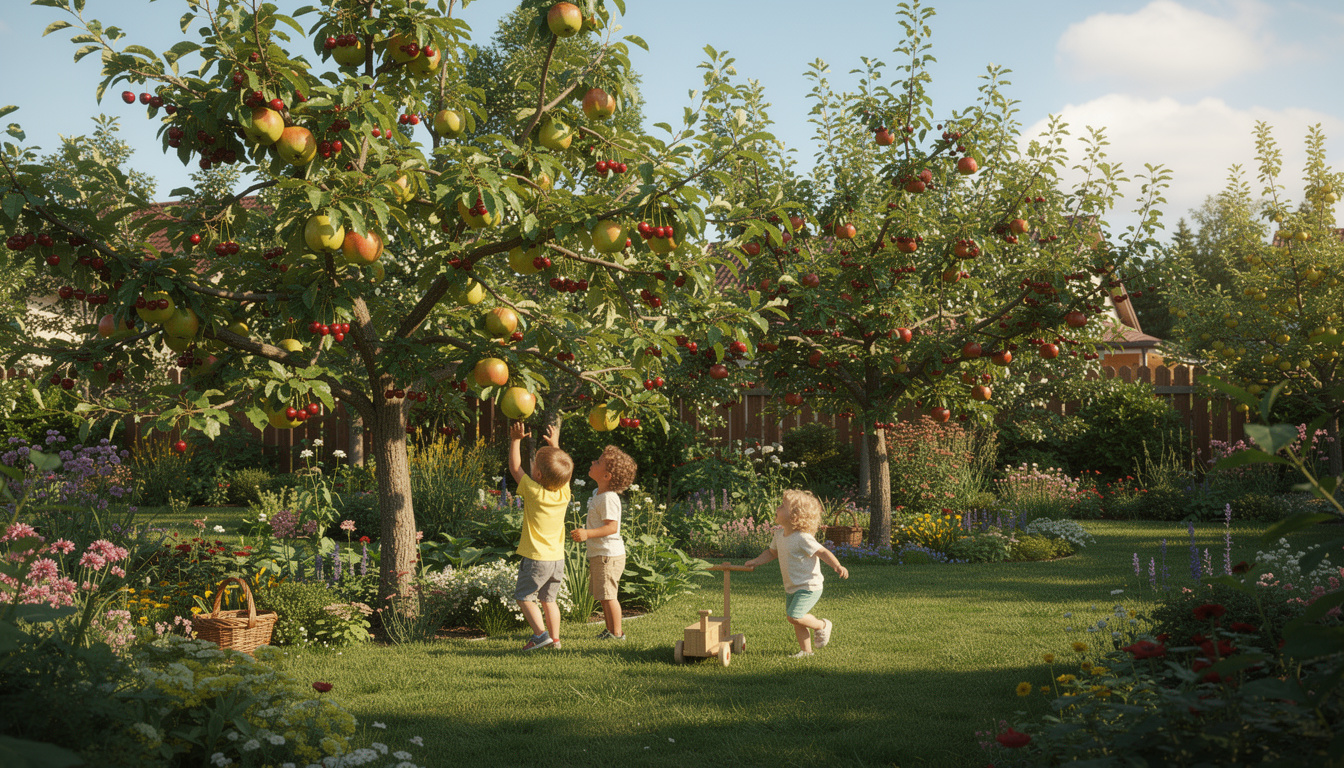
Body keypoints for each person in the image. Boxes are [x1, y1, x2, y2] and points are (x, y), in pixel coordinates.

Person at [744, 489, 849, 657]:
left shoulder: (802, 537)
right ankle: (806, 651)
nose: (777, 508)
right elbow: (772, 553)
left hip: (809, 586)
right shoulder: (779, 535)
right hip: (792, 586)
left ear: (795, 515)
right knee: (797, 621)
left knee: (794, 616)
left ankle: (822, 625)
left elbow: (822, 552)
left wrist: (837, 566)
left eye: (782, 506)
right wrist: (756, 561)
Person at [508, 420, 574, 651]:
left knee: (525, 597)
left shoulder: (534, 491)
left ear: (537, 473)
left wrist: (515, 440)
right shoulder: (564, 492)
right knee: (549, 600)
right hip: (557, 560)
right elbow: (559, 471)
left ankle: (540, 635)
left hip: (536, 558)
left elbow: (516, 468)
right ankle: (555, 641)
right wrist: (555, 445)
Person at [569, 445, 638, 640]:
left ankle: (617, 634)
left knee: (609, 596)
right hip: (601, 554)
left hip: (608, 555)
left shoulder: (608, 498)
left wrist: (587, 534)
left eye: (598, 462)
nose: (593, 462)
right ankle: (610, 630)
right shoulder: (598, 494)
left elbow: (611, 528)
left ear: (607, 476)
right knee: (603, 595)